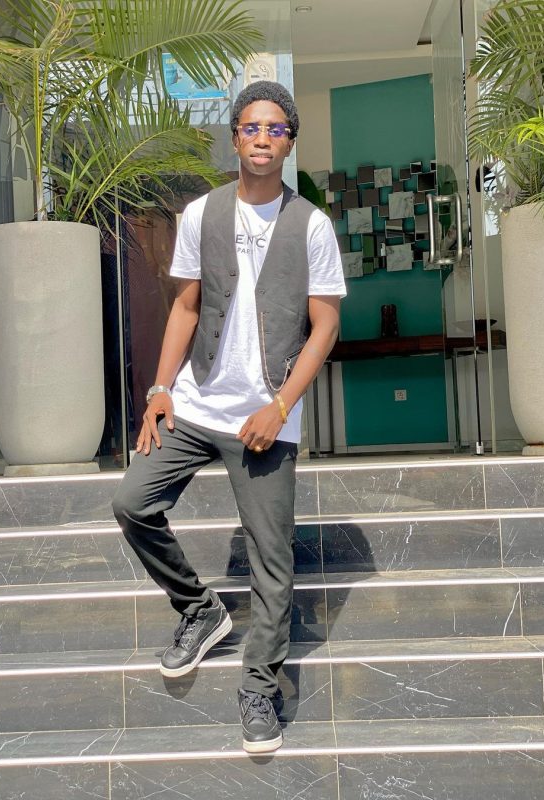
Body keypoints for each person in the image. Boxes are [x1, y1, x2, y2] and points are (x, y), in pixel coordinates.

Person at [112, 80, 345, 753]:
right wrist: (161, 389)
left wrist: (280, 406)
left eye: (276, 129)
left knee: (272, 560)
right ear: (235, 137)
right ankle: (198, 608)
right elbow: (186, 307)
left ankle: (260, 687)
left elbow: (325, 326)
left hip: (267, 413)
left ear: (289, 142)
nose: (263, 139)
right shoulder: (201, 214)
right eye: (251, 127)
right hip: (196, 401)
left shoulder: (312, 225)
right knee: (132, 502)